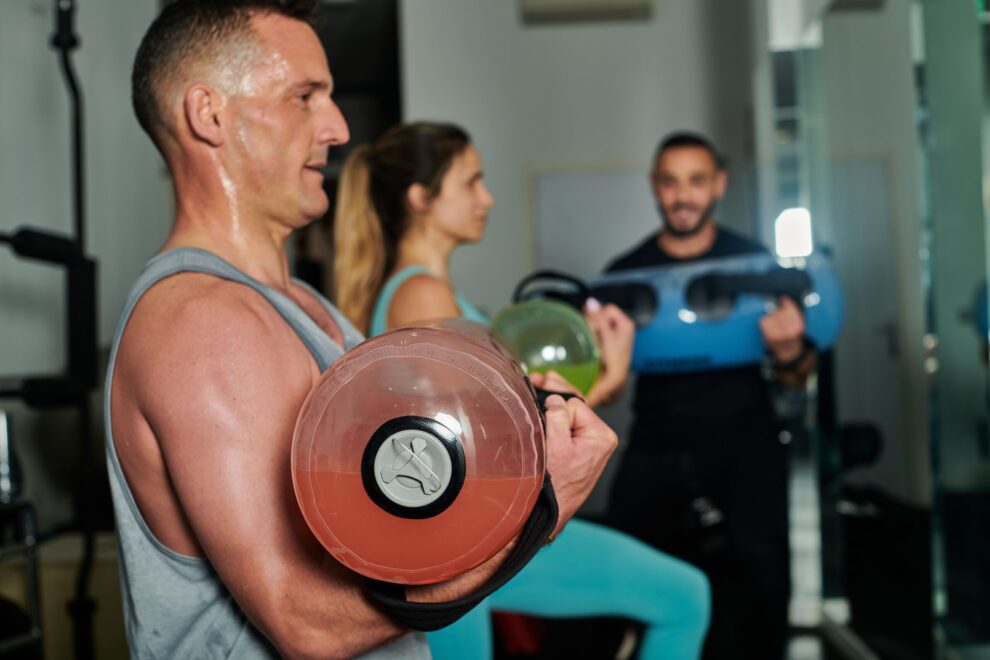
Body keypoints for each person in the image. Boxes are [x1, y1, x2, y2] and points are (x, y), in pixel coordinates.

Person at [106, 3, 618, 658]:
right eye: (304, 96)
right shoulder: (204, 321)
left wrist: (524, 441)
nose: (339, 127)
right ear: (209, 114)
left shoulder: (301, 304)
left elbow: (397, 521)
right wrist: (543, 506)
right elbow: (308, 624)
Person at [333, 121, 711, 660]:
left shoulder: (431, 292)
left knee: (682, 595)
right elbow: (477, 446)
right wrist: (608, 380)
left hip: (480, 531)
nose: (487, 198)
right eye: (472, 181)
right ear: (421, 198)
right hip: (462, 539)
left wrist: (592, 384)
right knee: (683, 597)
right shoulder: (421, 293)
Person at [603, 132, 815, 660]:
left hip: (746, 439)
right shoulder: (624, 275)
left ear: (719, 184)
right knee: (632, 572)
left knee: (761, 580)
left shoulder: (755, 265)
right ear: (654, 186)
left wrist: (790, 352)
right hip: (659, 441)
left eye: (696, 180)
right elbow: (607, 390)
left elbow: (797, 377)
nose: (683, 196)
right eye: (670, 182)